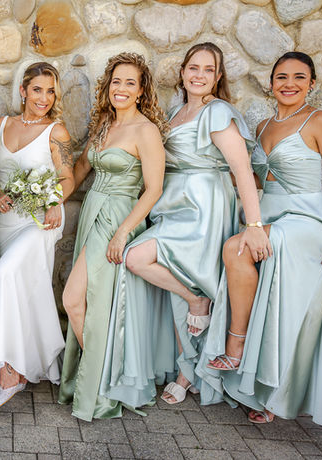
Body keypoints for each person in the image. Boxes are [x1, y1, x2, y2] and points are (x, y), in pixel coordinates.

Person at [118, 42, 271, 406]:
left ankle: (191, 364)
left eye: (208, 69)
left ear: (218, 77)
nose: (199, 75)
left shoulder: (217, 112)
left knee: (138, 258)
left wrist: (253, 224)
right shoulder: (175, 113)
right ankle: (188, 363)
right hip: (172, 207)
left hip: (203, 207)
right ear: (183, 72)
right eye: (193, 68)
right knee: (178, 285)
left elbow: (241, 171)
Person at [199, 52, 322, 426]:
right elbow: (251, 179)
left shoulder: (320, 121)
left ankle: (236, 345)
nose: (289, 84)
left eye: (299, 77)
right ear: (271, 83)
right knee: (243, 253)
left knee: (236, 248)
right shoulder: (262, 126)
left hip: (308, 219)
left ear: (312, 84)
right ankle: (265, 390)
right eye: (281, 77)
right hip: (270, 214)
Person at [57, 52, 167, 421]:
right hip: (92, 212)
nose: (121, 88)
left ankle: (101, 382)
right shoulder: (104, 124)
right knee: (89, 303)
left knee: (75, 300)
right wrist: (48, 197)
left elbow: (153, 189)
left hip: (118, 217)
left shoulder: (146, 131)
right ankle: (98, 377)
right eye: (116, 81)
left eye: (129, 83)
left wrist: (122, 233)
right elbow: (79, 170)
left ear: (141, 91)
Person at [0, 62, 75, 407]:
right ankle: (27, 361)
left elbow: (67, 178)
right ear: (23, 91)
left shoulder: (57, 132)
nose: (44, 98)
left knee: (6, 274)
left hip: (41, 221)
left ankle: (10, 368)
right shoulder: (1, 125)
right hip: (6, 220)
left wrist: (54, 201)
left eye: (51, 91)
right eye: (37, 90)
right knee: (21, 289)